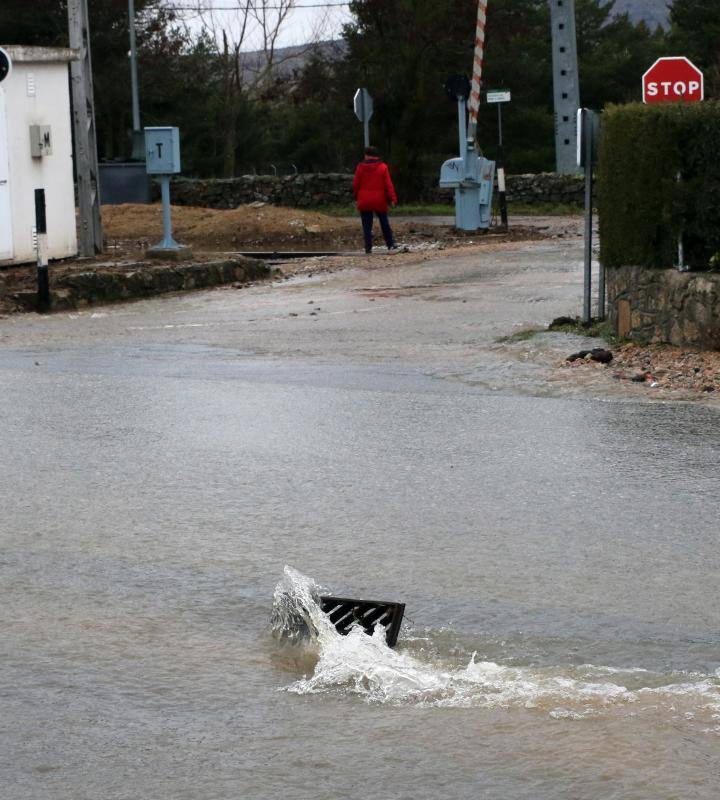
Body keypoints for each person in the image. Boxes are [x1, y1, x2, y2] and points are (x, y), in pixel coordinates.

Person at [352, 146, 399, 254]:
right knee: (384, 222)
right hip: (380, 200)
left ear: (366, 155)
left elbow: (355, 184)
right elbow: (388, 185)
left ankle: (368, 247)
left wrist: (356, 197)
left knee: (367, 225)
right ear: (376, 155)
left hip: (365, 200)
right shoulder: (383, 167)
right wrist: (392, 199)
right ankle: (390, 244)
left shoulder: (360, 167)